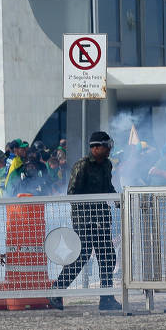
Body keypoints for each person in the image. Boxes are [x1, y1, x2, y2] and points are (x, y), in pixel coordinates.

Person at [49, 131, 121, 311]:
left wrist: (117, 199)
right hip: (85, 221)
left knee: (108, 257)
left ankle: (106, 298)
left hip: (102, 219)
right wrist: (88, 213)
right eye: (105, 146)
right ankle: (56, 291)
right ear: (95, 148)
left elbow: (108, 187)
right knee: (80, 258)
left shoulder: (107, 165)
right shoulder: (82, 166)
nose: (109, 149)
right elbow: (72, 194)